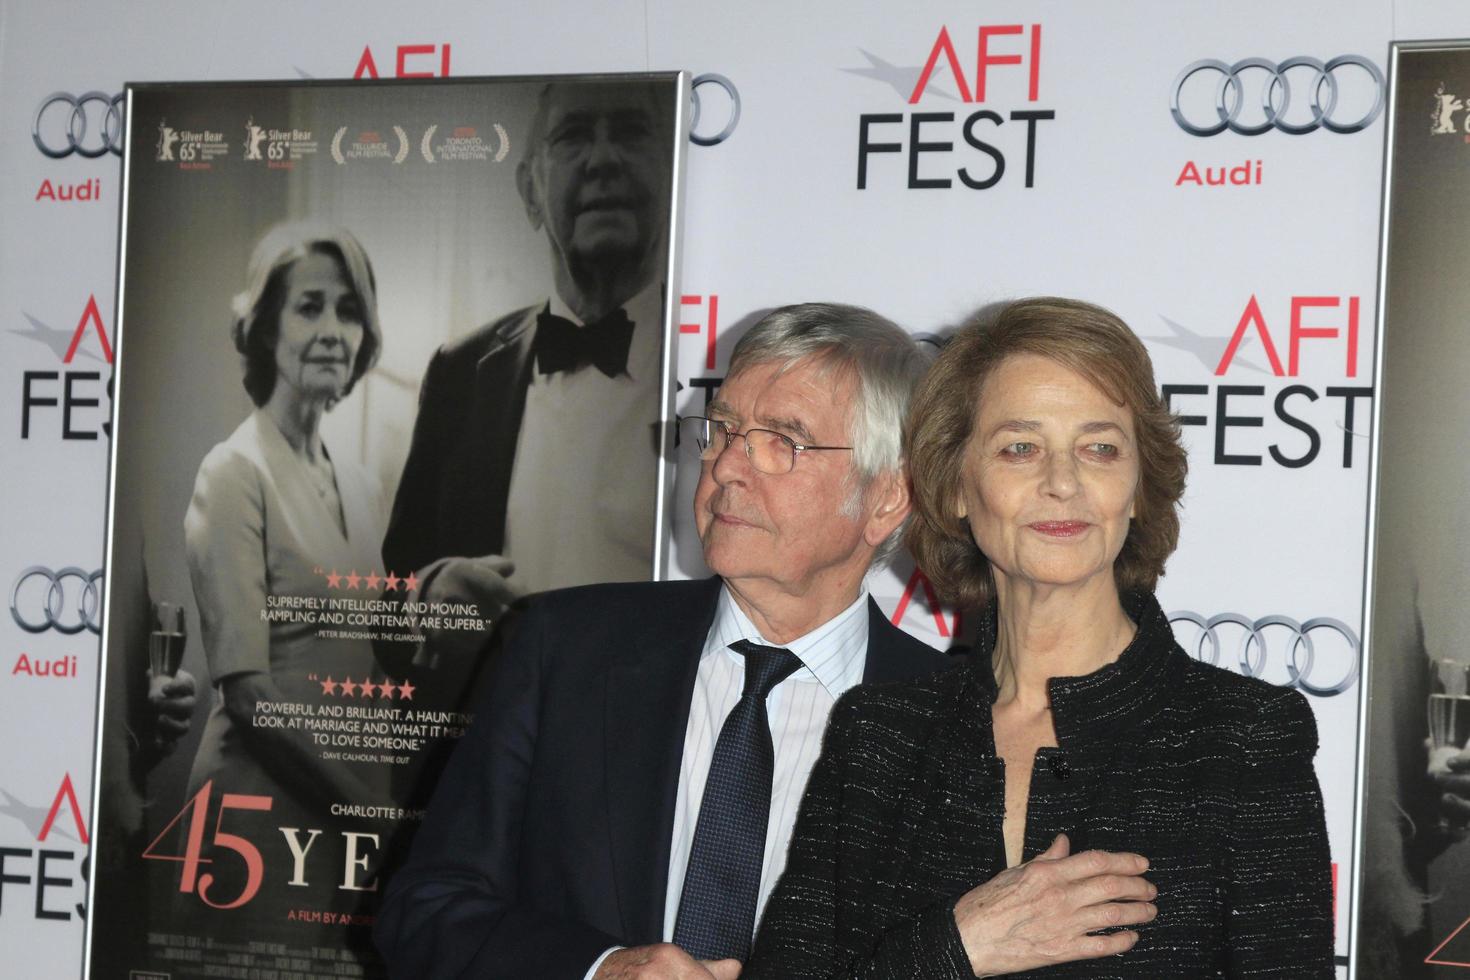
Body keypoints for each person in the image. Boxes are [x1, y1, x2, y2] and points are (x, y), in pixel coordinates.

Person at [745, 298, 1334, 977]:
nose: (1062, 483)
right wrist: (957, 948)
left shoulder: (1247, 739)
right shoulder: (878, 739)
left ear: (1139, 485)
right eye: (1020, 448)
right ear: (958, 484)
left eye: (1100, 448)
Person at [374, 303, 951, 979]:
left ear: (887, 498)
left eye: (781, 441)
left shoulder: (953, 720)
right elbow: (424, 912)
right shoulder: (564, 650)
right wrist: (601, 970)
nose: (729, 466)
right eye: (724, 430)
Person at [382, 79, 675, 616]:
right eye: (572, 136)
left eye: (631, 133)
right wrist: (427, 600)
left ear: (671, 173)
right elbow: (394, 595)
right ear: (530, 192)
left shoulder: (718, 371)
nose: (603, 158)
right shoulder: (460, 371)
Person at [182, 223, 390, 883]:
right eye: (310, 306)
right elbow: (249, 697)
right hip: (256, 821)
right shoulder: (233, 471)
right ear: (268, 329)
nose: (333, 329)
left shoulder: (363, 484)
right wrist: (374, 816)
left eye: (349, 310)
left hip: (348, 832)